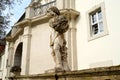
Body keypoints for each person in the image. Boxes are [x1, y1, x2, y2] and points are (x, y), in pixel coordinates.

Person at [48, 7, 70, 71]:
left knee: (57, 48)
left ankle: (60, 64)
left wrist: (58, 25)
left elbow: (65, 26)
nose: (49, 13)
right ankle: (58, 63)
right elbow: (52, 26)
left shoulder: (61, 18)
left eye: (50, 11)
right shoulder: (51, 20)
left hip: (59, 35)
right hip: (53, 35)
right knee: (54, 51)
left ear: (53, 11)